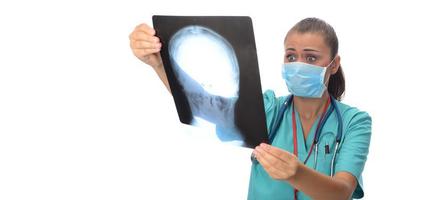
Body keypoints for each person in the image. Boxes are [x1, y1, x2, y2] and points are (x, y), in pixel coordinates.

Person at [129, 17, 372, 199]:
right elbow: (202, 104)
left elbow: (342, 192)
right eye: (290, 56)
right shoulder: (269, 109)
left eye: (310, 58)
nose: (298, 65)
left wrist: (296, 173)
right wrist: (160, 64)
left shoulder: (354, 122)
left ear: (334, 64)